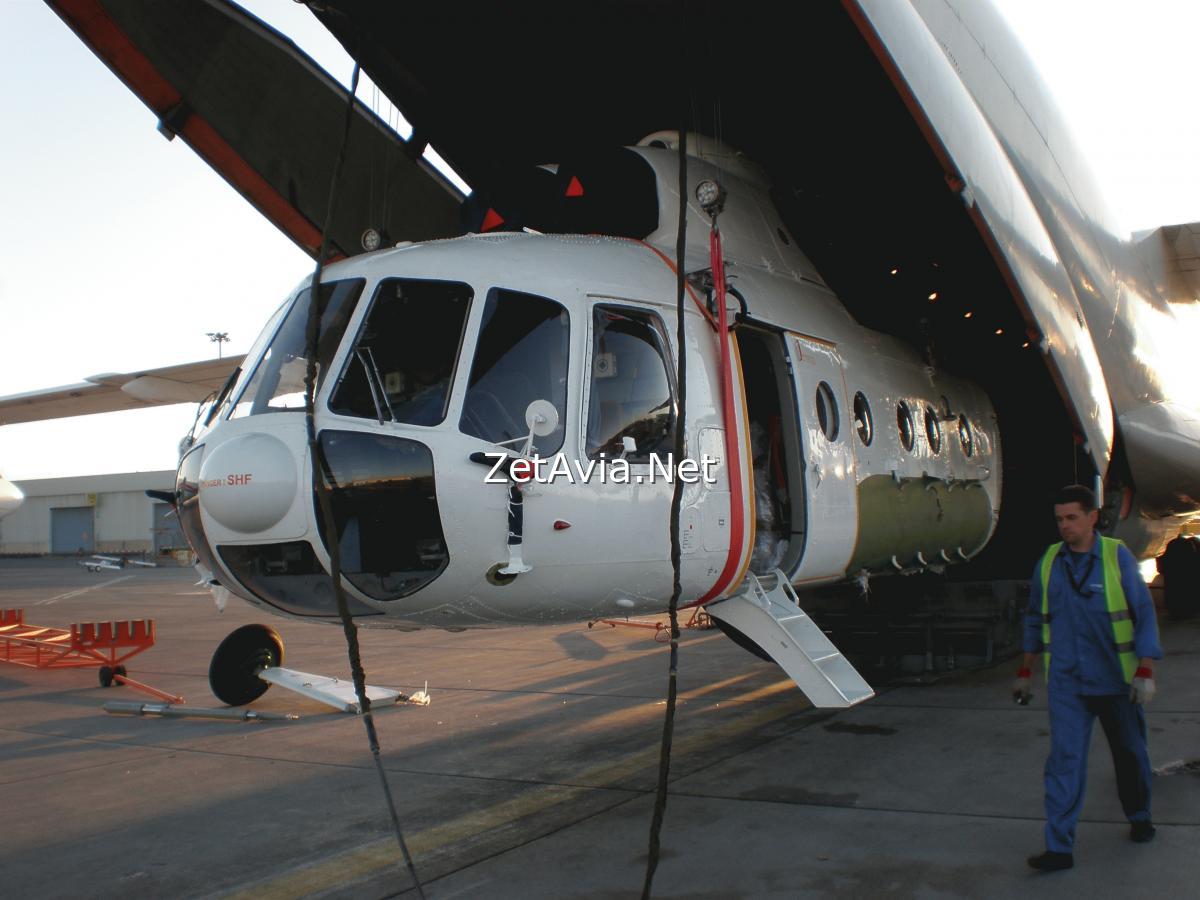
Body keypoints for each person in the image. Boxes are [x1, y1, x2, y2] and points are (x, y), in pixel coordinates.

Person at [1015, 485, 1163, 872]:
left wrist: (1145, 667)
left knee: (1131, 755)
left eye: (1072, 518)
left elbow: (1143, 614)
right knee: (1064, 761)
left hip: (1117, 682)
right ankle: (1059, 847)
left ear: (1092, 516)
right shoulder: (1049, 562)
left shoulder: (1116, 558)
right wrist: (1025, 671)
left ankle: (1139, 815)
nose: (1065, 526)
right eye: (1059, 519)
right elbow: (1035, 617)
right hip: (1068, 684)